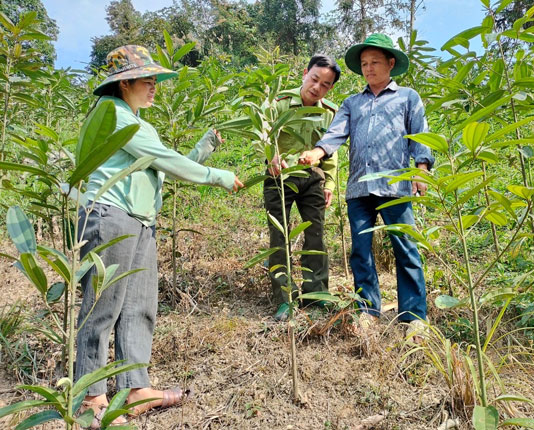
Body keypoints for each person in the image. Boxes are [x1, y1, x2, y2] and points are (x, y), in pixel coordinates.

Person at [76, 45, 244, 427]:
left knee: (139, 307)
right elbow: (166, 161)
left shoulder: (140, 123)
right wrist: (217, 176)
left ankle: (136, 388)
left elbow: (163, 167)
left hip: (139, 221)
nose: (154, 87)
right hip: (110, 215)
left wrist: (202, 149)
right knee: (103, 306)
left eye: (155, 81)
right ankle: (91, 396)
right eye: (147, 81)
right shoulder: (114, 116)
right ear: (124, 85)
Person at [299, 34, 435, 337]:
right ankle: (366, 309)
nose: (368, 68)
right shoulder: (353, 103)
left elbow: (420, 134)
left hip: (395, 187)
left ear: (390, 64)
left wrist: (421, 168)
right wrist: (317, 152)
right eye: (363, 63)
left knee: (406, 248)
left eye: (374, 62)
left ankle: (414, 316)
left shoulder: (408, 98)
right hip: (359, 189)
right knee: (361, 251)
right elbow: (336, 133)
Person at [263, 55, 341, 321]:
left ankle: (316, 294)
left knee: (316, 236)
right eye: (315, 79)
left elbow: (332, 150)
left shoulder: (330, 112)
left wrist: (329, 183)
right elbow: (261, 134)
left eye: (325, 84)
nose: (317, 87)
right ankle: (284, 298)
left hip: (313, 179)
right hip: (279, 178)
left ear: (330, 88)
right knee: (279, 238)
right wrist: (271, 156)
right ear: (305, 73)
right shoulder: (279, 103)